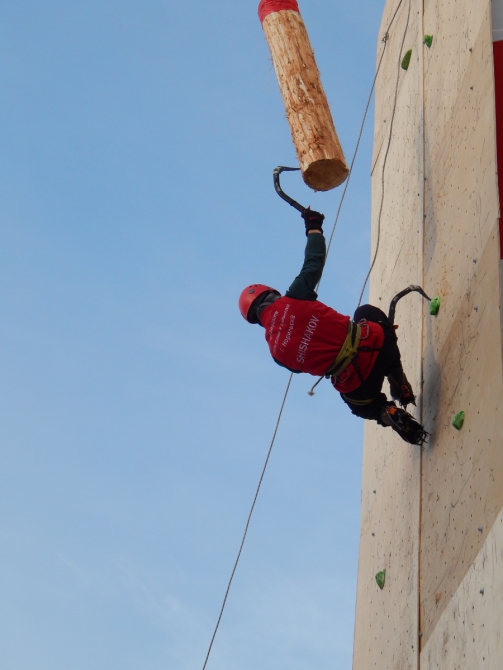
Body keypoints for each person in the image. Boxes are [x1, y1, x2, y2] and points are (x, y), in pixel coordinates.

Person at [238, 208, 427, 446]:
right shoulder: (293, 297)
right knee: (365, 313)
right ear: (270, 293)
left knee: (363, 408)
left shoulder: (276, 353)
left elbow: (303, 365)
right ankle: (400, 385)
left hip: (356, 383)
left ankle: (388, 413)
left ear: (254, 319)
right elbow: (314, 260)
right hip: (376, 345)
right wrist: (313, 225)